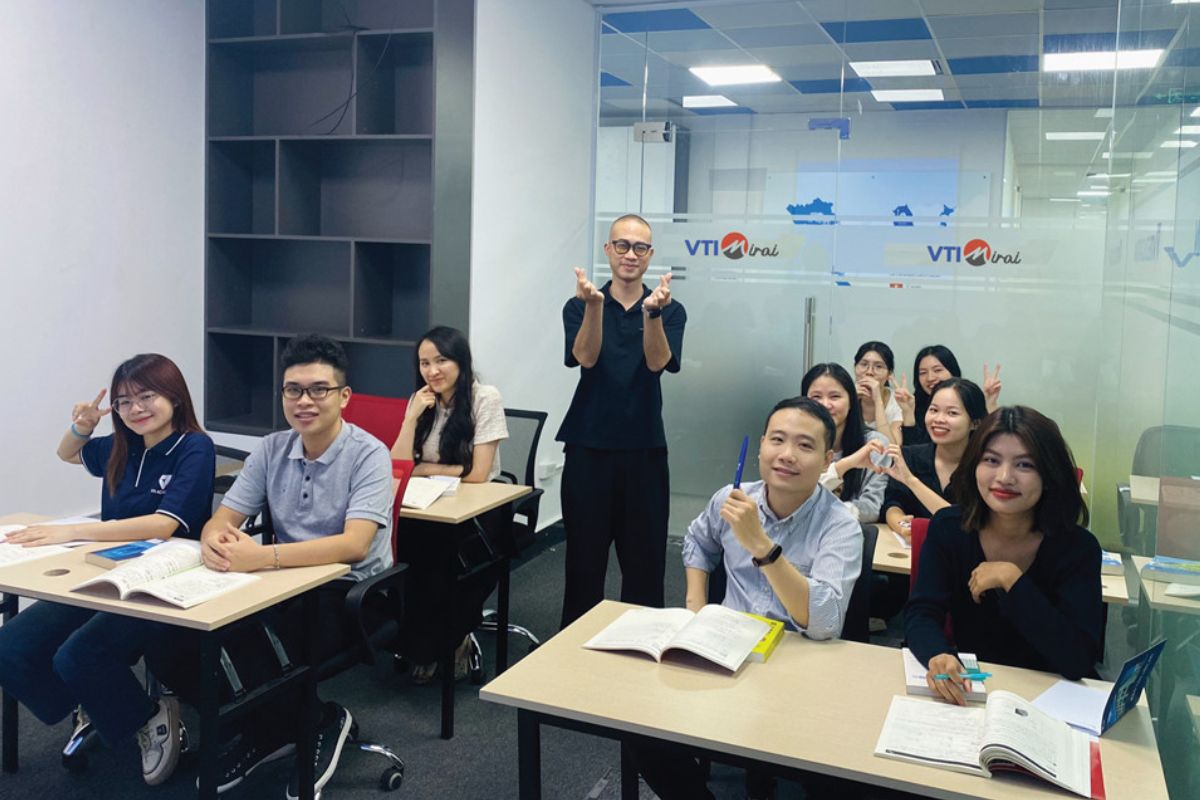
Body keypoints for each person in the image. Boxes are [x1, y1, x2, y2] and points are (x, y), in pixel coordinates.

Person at [145, 334, 393, 798]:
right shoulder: (271, 448)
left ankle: (317, 721)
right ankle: (277, 729)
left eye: (318, 389)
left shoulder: (369, 454)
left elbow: (355, 545)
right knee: (170, 645)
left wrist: (262, 557)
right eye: (293, 390)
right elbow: (223, 518)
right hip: (277, 584)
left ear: (344, 396)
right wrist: (215, 540)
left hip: (349, 592)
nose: (304, 401)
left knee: (256, 648)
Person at [0, 354, 215, 786]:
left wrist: (72, 530)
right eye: (124, 402)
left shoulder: (193, 446)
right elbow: (67, 453)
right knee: (11, 647)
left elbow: (164, 525)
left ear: (174, 396)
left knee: (77, 655)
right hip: (102, 572)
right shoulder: (122, 445)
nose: (136, 409)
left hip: (164, 581)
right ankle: (105, 706)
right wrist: (82, 425)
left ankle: (146, 717)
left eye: (146, 396)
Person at [635, 397, 863, 800]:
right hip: (725, 653)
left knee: (840, 779)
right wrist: (695, 607)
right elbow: (698, 541)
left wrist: (761, 545)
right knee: (643, 731)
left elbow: (825, 621)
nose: (787, 454)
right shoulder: (733, 497)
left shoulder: (840, 525)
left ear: (828, 459)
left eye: (805, 445)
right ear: (760, 446)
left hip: (799, 670)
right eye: (777, 440)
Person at [906, 406, 1102, 704]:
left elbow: (1077, 658)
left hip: (1049, 697)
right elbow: (922, 614)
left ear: (1049, 473)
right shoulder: (949, 528)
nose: (1005, 477)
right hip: (976, 692)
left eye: (1025, 465)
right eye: (991, 460)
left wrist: (1013, 581)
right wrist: (937, 654)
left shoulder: (1078, 548)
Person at [557, 213, 686, 627]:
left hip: (644, 451)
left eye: (640, 247)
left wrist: (652, 314)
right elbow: (586, 357)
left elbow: (657, 362)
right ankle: (573, 654)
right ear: (608, 250)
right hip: (587, 449)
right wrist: (595, 307)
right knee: (583, 565)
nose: (631, 254)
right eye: (623, 245)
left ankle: (641, 651)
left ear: (650, 255)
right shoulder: (579, 305)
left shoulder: (670, 309)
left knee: (645, 568)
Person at [390, 326, 508, 683]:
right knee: (406, 553)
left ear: (460, 361)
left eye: (441, 360)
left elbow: (478, 473)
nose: (432, 371)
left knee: (446, 560)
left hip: (480, 509)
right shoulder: (422, 401)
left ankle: (452, 638)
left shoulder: (484, 397)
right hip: (430, 506)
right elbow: (398, 465)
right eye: (424, 363)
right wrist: (411, 417)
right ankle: (423, 644)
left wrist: (425, 469)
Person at [882, 378, 989, 541]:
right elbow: (893, 503)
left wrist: (911, 481)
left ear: (975, 423)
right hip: (910, 549)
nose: (938, 419)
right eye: (933, 410)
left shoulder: (984, 467)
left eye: (952, 413)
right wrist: (902, 525)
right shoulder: (910, 455)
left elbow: (962, 524)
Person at [802, 363, 889, 522]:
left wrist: (817, 512)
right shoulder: (797, 444)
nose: (825, 405)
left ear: (851, 402)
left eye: (835, 396)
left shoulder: (872, 445)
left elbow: (872, 507)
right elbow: (792, 499)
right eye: (816, 397)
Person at [899, 345, 1002, 445]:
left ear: (952, 371)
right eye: (923, 372)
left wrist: (990, 402)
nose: (930, 378)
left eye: (937, 370)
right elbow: (913, 450)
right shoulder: (913, 405)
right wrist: (908, 413)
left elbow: (990, 442)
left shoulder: (969, 399)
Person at [852, 341, 903, 445]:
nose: (869, 372)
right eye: (864, 364)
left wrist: (877, 400)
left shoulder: (897, 401)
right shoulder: (844, 395)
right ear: (855, 367)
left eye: (878, 366)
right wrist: (850, 400)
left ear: (889, 374)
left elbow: (892, 448)